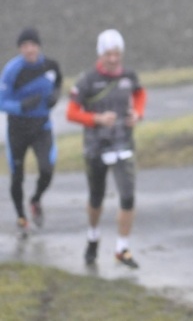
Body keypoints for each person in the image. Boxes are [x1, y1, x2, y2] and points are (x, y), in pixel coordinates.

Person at [66, 29, 146, 269]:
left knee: (128, 197)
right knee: (96, 198)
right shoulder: (87, 80)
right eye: (109, 54)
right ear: (101, 54)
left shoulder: (128, 76)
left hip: (124, 145)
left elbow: (140, 94)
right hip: (96, 148)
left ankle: (122, 248)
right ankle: (93, 236)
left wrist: (137, 114)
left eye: (117, 54)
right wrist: (96, 119)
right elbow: (71, 113)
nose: (113, 59)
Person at [0, 28, 63, 238]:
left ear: (38, 46)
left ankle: (35, 199)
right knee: (17, 176)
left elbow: (58, 82)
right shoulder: (12, 70)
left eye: (32, 45)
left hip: (41, 128)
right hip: (17, 130)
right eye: (25, 46)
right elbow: (1, 100)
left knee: (47, 169)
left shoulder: (50, 66)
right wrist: (21, 106)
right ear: (20, 49)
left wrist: (55, 96)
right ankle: (21, 217)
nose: (29, 49)